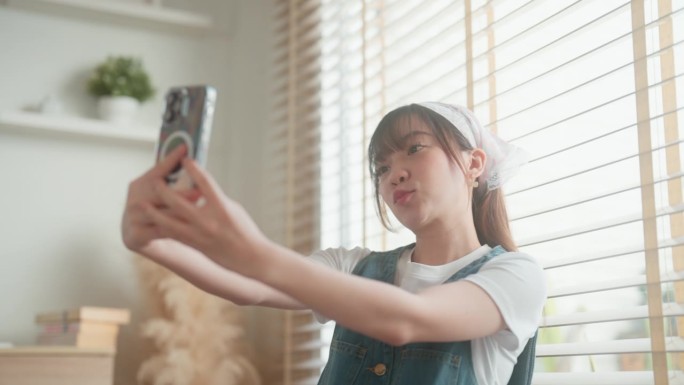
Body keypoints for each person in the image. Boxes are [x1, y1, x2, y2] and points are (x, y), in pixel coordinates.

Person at [122, 102, 547, 385]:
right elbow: (248, 285)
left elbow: (407, 321)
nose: (394, 173)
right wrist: (151, 244)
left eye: (414, 149)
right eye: (382, 167)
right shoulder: (351, 265)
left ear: (474, 163)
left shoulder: (514, 277)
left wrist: (256, 252)